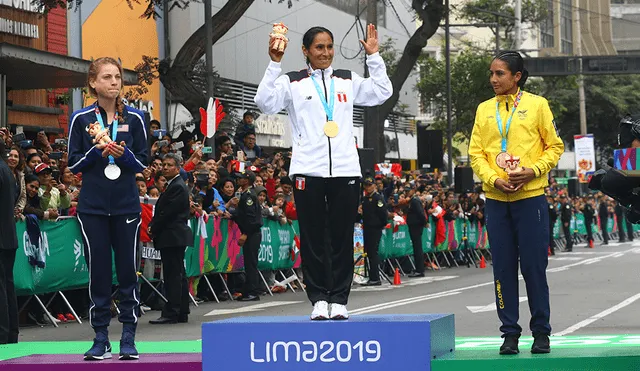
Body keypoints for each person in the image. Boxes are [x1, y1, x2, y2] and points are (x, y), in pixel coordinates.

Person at [254, 24, 392, 320]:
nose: (325, 53)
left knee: (342, 238)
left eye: (329, 46)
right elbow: (264, 102)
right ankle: (318, 298)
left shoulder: (347, 80)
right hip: (308, 171)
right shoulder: (293, 82)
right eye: (319, 47)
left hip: (345, 171)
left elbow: (381, 91)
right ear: (305, 51)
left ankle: (339, 299)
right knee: (313, 237)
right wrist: (273, 62)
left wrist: (374, 57)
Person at [468, 51, 564, 355]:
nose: (493, 79)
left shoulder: (537, 105)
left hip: (531, 199)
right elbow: (475, 153)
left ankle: (541, 333)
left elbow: (555, 146)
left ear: (517, 76)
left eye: (500, 74)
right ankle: (509, 333)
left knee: (534, 268)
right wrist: (493, 179)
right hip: (496, 200)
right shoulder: (484, 110)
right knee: (503, 269)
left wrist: (532, 171)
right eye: (492, 73)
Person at [68, 57, 148, 361]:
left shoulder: (136, 118)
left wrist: (123, 155)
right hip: (93, 207)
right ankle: (100, 336)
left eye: (117, 77)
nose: (114, 82)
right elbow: (73, 163)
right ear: (93, 83)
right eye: (107, 77)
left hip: (127, 204)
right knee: (98, 272)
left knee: (128, 270)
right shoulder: (81, 119)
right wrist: (96, 151)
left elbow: (143, 162)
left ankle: (129, 334)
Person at [148, 153, 192, 324]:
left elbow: (168, 212)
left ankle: (172, 311)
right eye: (163, 165)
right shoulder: (173, 185)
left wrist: (154, 226)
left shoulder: (177, 186)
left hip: (173, 235)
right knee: (178, 273)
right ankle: (181, 310)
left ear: (178, 167)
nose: (164, 167)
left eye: (169, 165)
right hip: (173, 235)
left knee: (174, 274)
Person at [232, 170, 263, 301]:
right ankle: (248, 290)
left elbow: (251, 218)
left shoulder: (248, 196)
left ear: (247, 180)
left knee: (251, 264)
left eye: (241, 178)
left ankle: (253, 292)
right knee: (248, 263)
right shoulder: (244, 194)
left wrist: (245, 233)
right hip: (251, 233)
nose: (238, 180)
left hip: (252, 234)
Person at [0, 139, 18, 344]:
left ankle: (3, 334)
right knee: (7, 285)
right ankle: (11, 332)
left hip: (2, 238)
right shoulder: (6, 170)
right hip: (8, 236)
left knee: (2, 287)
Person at [359, 176, 388, 286]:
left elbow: (382, 213)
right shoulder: (365, 199)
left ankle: (375, 277)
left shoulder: (377, 198)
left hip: (375, 228)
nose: (368, 187)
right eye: (366, 185)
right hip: (367, 228)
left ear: (374, 186)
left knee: (373, 252)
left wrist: (382, 224)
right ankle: (371, 276)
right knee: (369, 252)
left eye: (370, 185)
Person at [406, 192, 427, 277]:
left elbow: (420, 213)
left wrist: (424, 222)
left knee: (417, 247)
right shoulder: (414, 201)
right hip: (416, 225)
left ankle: (419, 270)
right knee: (417, 247)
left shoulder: (415, 201)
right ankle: (419, 269)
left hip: (416, 226)